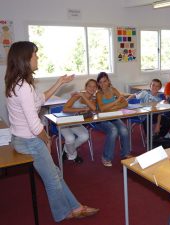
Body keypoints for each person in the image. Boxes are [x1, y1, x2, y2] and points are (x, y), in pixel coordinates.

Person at [5, 41, 98, 222]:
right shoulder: (23, 86)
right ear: (26, 58)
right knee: (53, 180)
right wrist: (47, 140)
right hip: (30, 140)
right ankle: (64, 213)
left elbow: (40, 100)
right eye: (35, 54)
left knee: (55, 174)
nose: (37, 57)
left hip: (23, 138)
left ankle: (76, 207)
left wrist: (59, 83)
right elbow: (34, 125)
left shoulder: (18, 83)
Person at [94, 72, 131, 167]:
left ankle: (125, 153)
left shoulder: (113, 90)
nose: (103, 84)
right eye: (100, 82)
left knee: (124, 130)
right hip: (101, 119)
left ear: (108, 81)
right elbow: (102, 109)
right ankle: (106, 157)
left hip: (113, 116)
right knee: (113, 130)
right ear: (98, 84)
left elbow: (125, 104)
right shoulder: (98, 93)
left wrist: (111, 107)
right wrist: (116, 103)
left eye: (105, 81)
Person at [61, 79, 98, 163]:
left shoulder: (93, 99)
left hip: (75, 122)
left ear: (96, 88)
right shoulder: (77, 96)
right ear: (85, 87)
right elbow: (65, 109)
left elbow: (94, 109)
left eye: (94, 87)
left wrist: (83, 95)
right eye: (89, 86)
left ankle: (66, 149)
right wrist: (82, 108)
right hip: (65, 121)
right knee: (70, 138)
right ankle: (73, 155)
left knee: (85, 136)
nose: (92, 88)